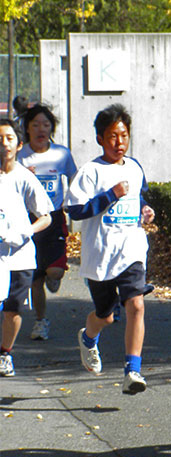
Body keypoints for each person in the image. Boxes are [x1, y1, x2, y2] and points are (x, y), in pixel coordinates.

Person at [64, 104, 155, 395]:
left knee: (137, 305)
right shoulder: (91, 172)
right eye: (113, 136)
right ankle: (89, 337)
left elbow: (138, 198)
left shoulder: (135, 167)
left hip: (131, 250)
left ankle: (133, 371)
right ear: (100, 139)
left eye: (124, 135)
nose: (119, 142)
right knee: (105, 316)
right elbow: (75, 209)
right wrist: (109, 196)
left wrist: (145, 209)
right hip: (100, 255)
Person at [16, 104, 77, 342]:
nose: (41, 129)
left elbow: (75, 179)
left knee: (54, 271)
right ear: (27, 129)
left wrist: (74, 203)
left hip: (53, 218)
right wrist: (24, 175)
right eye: (35, 125)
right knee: (36, 277)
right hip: (28, 218)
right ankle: (41, 321)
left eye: (46, 124)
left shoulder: (61, 154)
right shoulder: (20, 156)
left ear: (52, 127)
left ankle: (55, 276)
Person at [0, 118, 53, 377]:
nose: (4, 144)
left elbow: (46, 216)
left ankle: (5, 354)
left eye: (9, 138)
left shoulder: (24, 177)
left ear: (19, 144)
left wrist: (26, 231)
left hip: (20, 257)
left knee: (13, 310)